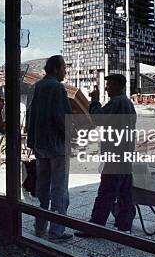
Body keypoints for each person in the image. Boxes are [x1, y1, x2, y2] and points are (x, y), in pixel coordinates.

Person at [76, 73, 136, 236]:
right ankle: (124, 226)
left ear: (119, 86)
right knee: (124, 193)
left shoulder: (116, 102)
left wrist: (94, 100)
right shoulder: (128, 103)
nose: (106, 88)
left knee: (106, 192)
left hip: (115, 155)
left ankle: (96, 227)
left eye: (109, 85)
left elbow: (98, 119)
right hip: (125, 154)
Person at [27, 55, 73, 241]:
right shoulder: (57, 87)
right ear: (55, 69)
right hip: (56, 146)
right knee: (59, 189)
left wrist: (32, 142)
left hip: (40, 145)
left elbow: (30, 116)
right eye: (63, 68)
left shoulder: (36, 87)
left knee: (42, 187)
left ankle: (39, 227)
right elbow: (62, 118)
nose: (65, 72)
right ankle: (56, 232)